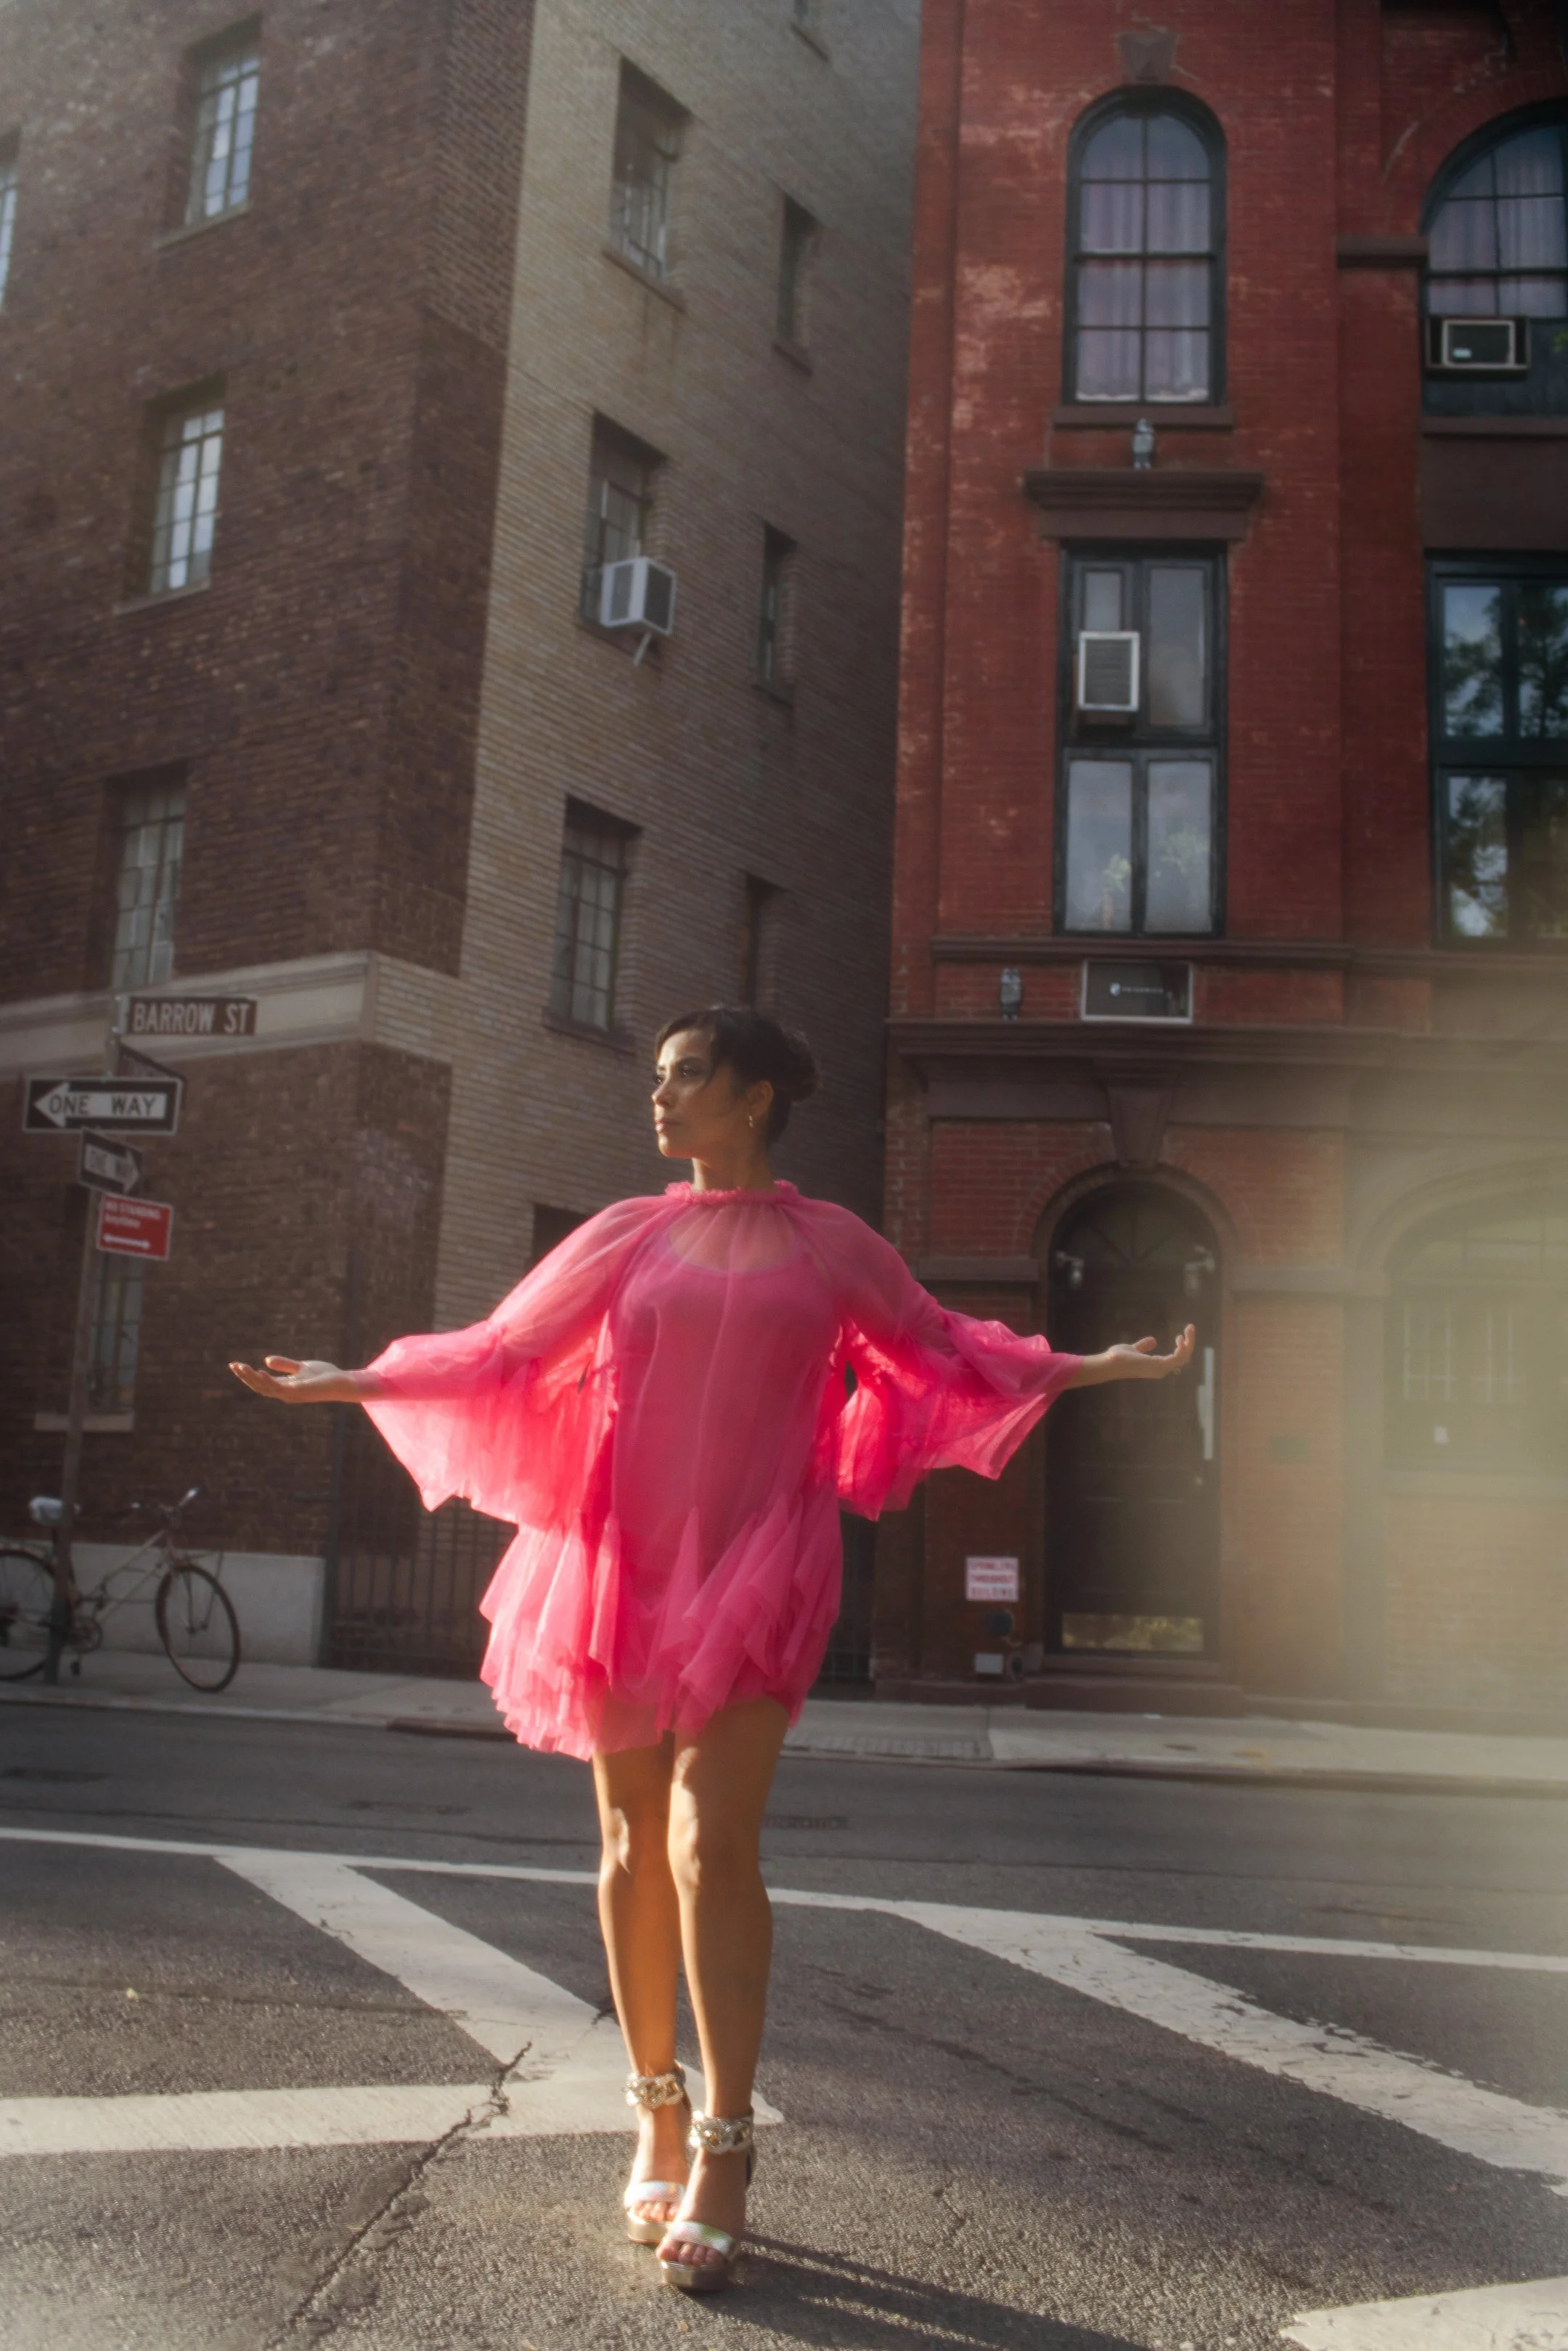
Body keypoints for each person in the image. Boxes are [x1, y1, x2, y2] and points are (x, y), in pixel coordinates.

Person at [231, 1007, 1193, 2294]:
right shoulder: (626, 1235)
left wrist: (1090, 1366)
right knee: (632, 1841)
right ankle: (656, 2109)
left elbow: (944, 1350)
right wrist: (354, 1380)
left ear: (753, 1099)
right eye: (659, 1076)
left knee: (709, 1842)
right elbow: (506, 1351)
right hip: (619, 1563)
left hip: (759, 1564)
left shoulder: (833, 1244)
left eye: (687, 1075)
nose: (661, 1095)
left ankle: (728, 2142)